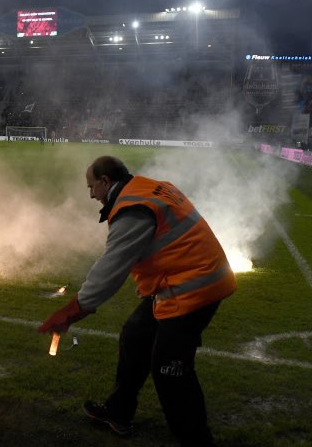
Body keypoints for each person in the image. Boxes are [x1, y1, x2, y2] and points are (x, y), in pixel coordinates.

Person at [38, 155, 236, 446]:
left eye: (92, 186)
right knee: (135, 335)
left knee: (171, 373)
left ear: (106, 181)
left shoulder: (133, 209)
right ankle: (118, 413)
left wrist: (69, 312)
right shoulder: (146, 187)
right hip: (186, 281)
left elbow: (109, 271)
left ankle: (197, 441)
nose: (91, 194)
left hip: (192, 290)